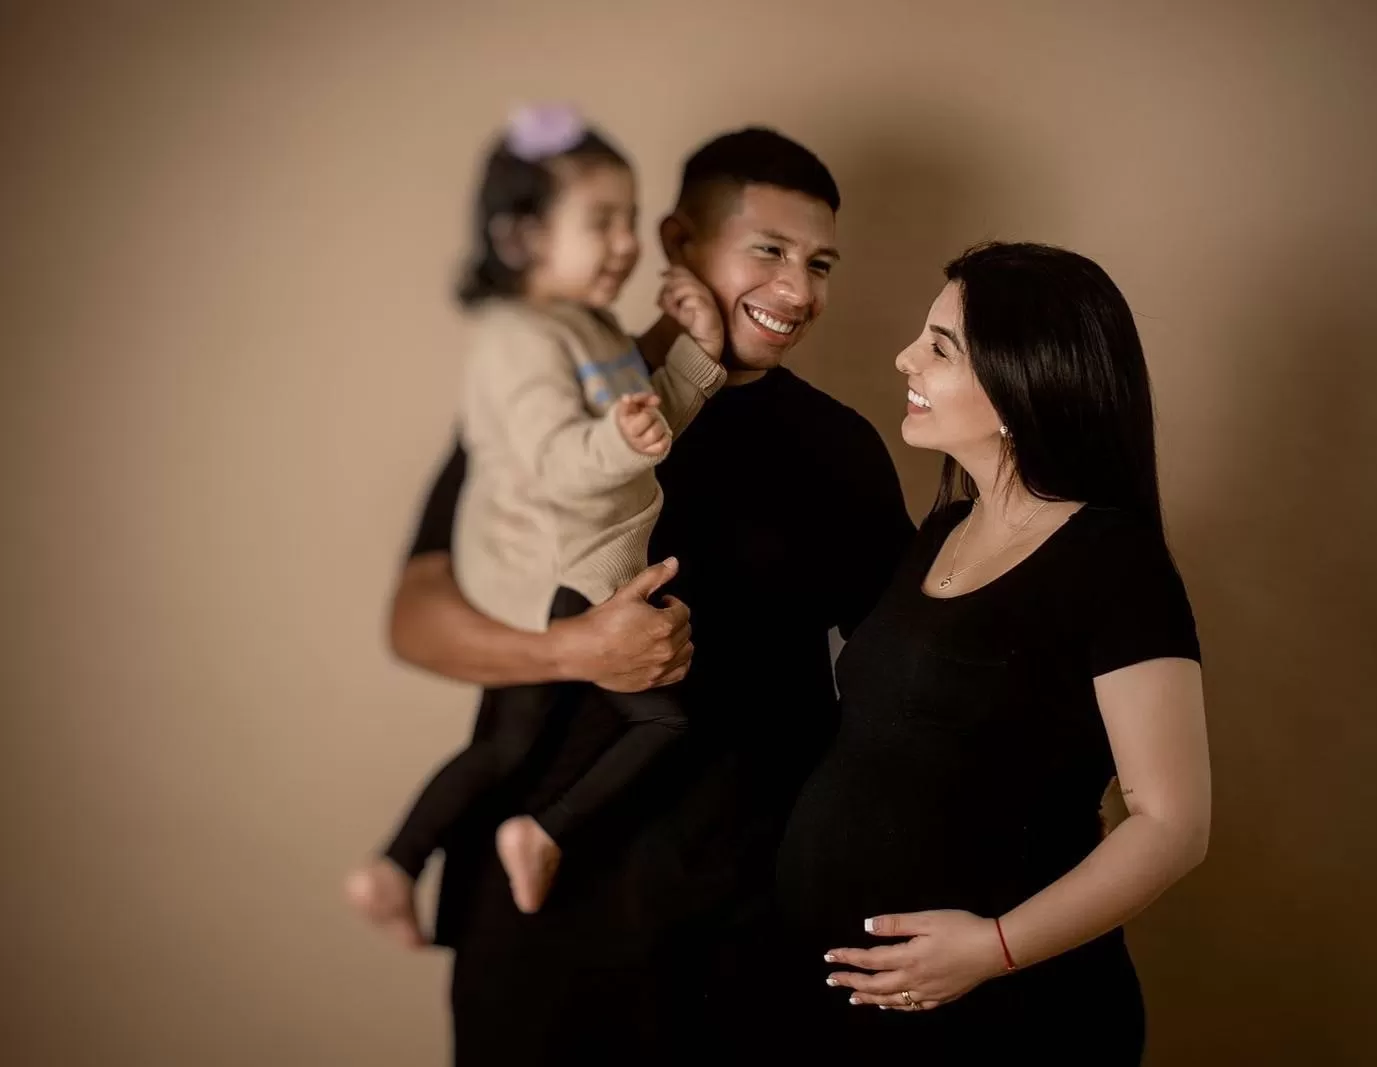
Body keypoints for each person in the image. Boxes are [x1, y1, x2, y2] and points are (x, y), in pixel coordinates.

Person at [388, 128, 915, 1063]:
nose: (797, 290)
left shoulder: (843, 451)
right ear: (675, 240)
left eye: (819, 261)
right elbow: (416, 618)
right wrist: (571, 652)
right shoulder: (552, 402)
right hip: (537, 918)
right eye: (767, 249)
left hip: (746, 925)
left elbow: (903, 688)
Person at [772, 242, 1212, 1064]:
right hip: (852, 1010)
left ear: (1021, 384)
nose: (904, 357)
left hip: (1009, 1016)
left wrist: (992, 947)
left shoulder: (1112, 563)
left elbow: (1171, 824)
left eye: (939, 347)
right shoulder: (942, 529)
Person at [346, 104, 728, 933]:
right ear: (521, 238)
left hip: (575, 559)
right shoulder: (516, 339)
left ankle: (395, 862)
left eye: (630, 218)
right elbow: (562, 460)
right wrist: (624, 435)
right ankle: (540, 832)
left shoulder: (584, 325)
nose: (626, 242)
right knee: (663, 719)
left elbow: (641, 423)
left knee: (507, 746)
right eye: (602, 221)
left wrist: (693, 355)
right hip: (561, 566)